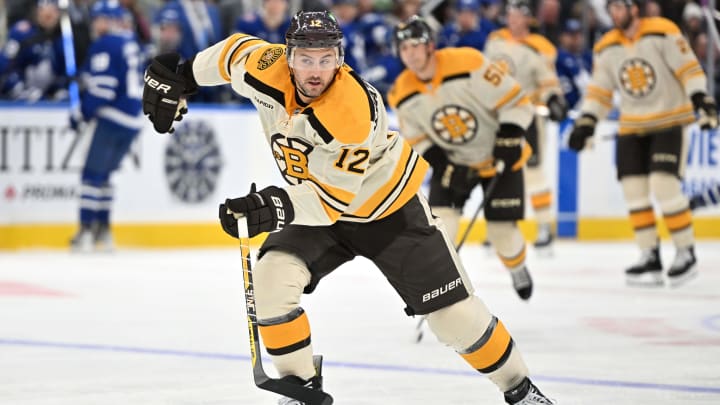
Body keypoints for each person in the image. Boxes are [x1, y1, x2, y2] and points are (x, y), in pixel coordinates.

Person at [141, 10, 556, 405]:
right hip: (313, 205)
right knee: (271, 279)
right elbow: (233, 52)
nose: (316, 70)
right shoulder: (263, 66)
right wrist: (182, 74)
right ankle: (300, 387)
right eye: (305, 58)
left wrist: (269, 207)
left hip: (387, 210)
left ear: (340, 59)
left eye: (326, 59)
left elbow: (331, 202)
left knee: (454, 319)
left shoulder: (352, 109)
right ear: (288, 56)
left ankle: (520, 389)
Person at [568, 0, 718, 287]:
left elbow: (689, 70)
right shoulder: (606, 46)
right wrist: (586, 122)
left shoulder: (663, 32)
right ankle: (649, 254)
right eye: (610, 9)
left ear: (634, 8)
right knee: (634, 193)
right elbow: (600, 92)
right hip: (631, 125)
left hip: (669, 121)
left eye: (619, 8)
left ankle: (685, 251)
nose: (614, 14)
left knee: (664, 186)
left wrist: (701, 99)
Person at [388, 16, 537, 301]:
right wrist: (444, 165)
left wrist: (509, 133)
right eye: (403, 48)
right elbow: (418, 139)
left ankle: (517, 267)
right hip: (455, 161)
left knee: (502, 233)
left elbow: (515, 99)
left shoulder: (468, 61)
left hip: (499, 156)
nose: (410, 53)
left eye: (415, 45)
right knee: (440, 227)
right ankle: (442, 286)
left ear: (430, 45)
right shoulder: (400, 91)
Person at [484, 0, 568, 251]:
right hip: (495, 116)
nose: (512, 18)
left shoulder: (540, 47)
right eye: (509, 13)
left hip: (526, 116)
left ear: (528, 19)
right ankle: (497, 227)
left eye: (517, 14)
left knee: (533, 172)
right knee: (494, 170)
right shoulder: (494, 39)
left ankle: (543, 226)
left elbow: (548, 80)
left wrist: (554, 98)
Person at [69, 0, 144, 252]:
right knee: (105, 177)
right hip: (133, 121)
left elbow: (104, 89)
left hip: (113, 117)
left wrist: (82, 114)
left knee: (91, 175)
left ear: (106, 20)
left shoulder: (105, 44)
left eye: (97, 19)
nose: (94, 24)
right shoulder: (129, 42)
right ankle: (104, 231)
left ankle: (86, 233)